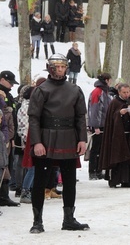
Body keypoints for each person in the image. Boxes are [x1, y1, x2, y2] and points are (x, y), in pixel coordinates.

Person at [27, 54, 89, 233]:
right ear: (50, 68)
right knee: (40, 181)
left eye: (63, 66)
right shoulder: (41, 90)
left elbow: (80, 118)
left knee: (70, 181)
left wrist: (82, 139)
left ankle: (69, 219)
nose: (60, 70)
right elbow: (34, 119)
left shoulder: (75, 90)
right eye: (57, 67)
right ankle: (37, 221)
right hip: (46, 138)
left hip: (69, 137)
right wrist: (37, 142)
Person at [99, 84, 130, 188]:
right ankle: (115, 180)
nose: (126, 94)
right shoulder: (114, 103)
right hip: (117, 137)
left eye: (128, 92)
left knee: (129, 158)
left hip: (129, 136)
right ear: (119, 92)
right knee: (118, 157)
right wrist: (119, 114)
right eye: (124, 92)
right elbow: (111, 118)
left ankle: (127, 180)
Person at [87, 73, 113, 180]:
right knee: (95, 149)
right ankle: (92, 171)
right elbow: (94, 110)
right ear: (106, 80)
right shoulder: (97, 92)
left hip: (104, 124)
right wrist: (96, 126)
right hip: (98, 125)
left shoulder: (106, 92)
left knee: (101, 149)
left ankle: (98, 169)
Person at [0, 70, 20, 207]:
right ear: (2, 79)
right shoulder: (2, 95)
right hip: (3, 135)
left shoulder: (9, 95)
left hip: (8, 135)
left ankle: (4, 195)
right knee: (2, 165)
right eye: (10, 82)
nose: (12, 86)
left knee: (7, 165)